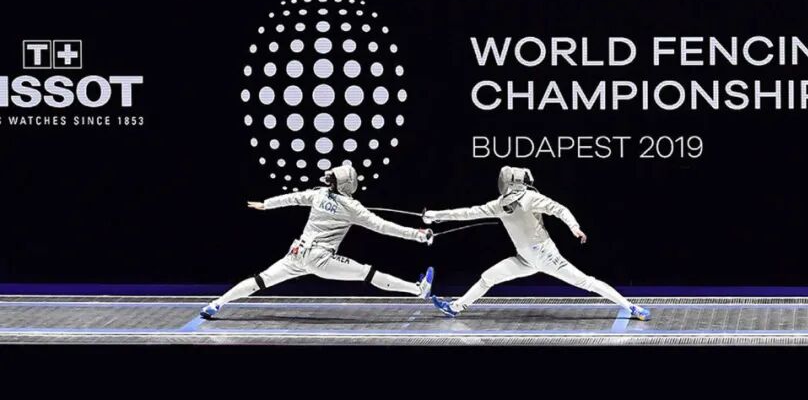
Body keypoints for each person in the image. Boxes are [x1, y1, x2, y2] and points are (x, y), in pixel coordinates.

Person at [199, 165, 435, 320]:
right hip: (321, 258)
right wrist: (418, 234)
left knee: (261, 280)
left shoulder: (319, 194)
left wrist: (266, 204)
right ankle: (418, 290)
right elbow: (383, 227)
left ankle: (216, 304)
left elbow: (293, 198)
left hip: (296, 253)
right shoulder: (353, 208)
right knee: (367, 273)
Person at [425, 166, 651, 321]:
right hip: (525, 259)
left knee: (586, 282)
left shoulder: (531, 198)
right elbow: (467, 213)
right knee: (488, 277)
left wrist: (573, 226)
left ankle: (632, 307)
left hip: (546, 256)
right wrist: (435, 215)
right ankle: (455, 307)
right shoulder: (498, 205)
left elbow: (559, 209)